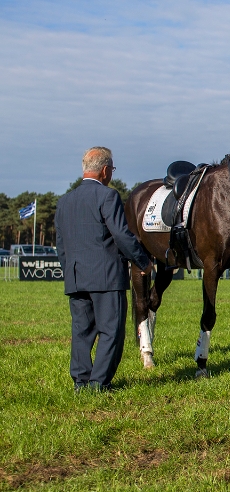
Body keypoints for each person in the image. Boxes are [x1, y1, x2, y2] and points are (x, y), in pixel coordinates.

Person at [55, 147, 153, 392]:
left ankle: (81, 382)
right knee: (111, 332)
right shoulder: (108, 197)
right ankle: (99, 383)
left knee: (82, 332)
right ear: (106, 170)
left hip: (76, 278)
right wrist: (143, 261)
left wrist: (69, 271)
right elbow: (121, 234)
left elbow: (60, 244)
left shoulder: (65, 201)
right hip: (107, 278)